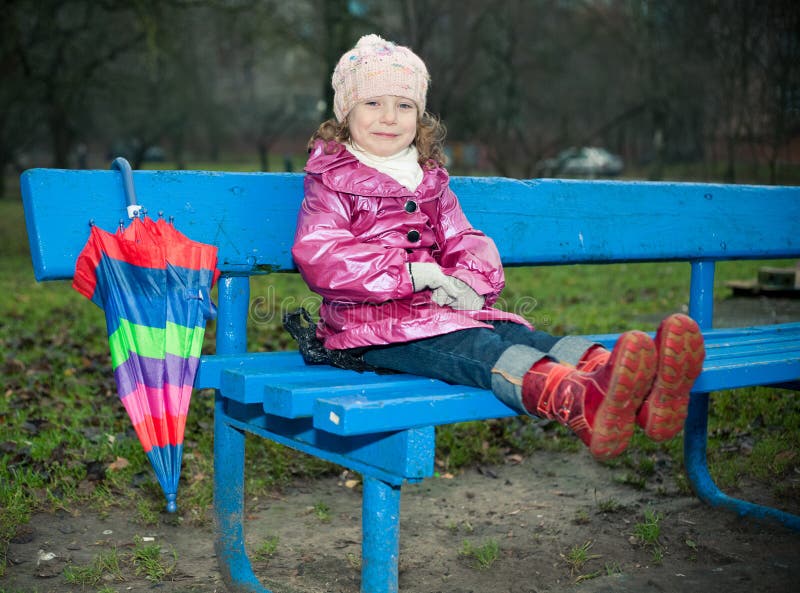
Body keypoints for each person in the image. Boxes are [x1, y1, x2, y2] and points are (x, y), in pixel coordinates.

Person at [292, 34, 705, 461]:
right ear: (345, 113)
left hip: (442, 312)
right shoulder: (331, 180)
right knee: (483, 351)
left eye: (404, 105)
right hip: (372, 329)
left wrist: (469, 279)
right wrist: (411, 274)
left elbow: (465, 238)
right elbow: (321, 254)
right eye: (373, 104)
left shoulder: (429, 179)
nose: (389, 118)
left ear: (419, 116)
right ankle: (580, 402)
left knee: (524, 334)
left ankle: (637, 388)